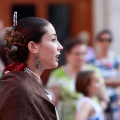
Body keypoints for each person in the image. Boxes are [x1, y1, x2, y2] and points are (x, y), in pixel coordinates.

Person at [0, 16, 63, 120]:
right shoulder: (18, 88)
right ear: (33, 47)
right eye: (53, 39)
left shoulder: (27, 81)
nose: (60, 46)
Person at [47, 39, 108, 120]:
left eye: (83, 54)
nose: (81, 57)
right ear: (68, 55)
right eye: (77, 54)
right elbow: (53, 101)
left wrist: (96, 109)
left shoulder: (94, 72)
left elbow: (104, 97)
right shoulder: (58, 75)